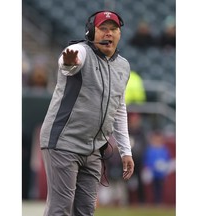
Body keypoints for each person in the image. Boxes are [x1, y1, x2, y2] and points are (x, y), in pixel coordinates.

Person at [40, 10, 135, 216]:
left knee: (85, 211)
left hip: (94, 150)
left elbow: (119, 108)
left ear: (119, 34)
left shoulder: (123, 66)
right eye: (103, 29)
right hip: (64, 142)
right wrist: (67, 62)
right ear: (91, 32)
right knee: (60, 209)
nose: (108, 33)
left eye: (113, 29)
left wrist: (125, 151)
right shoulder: (79, 51)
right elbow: (68, 63)